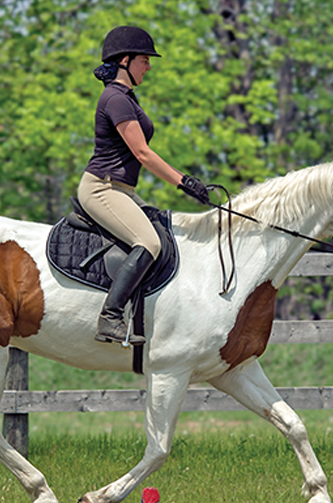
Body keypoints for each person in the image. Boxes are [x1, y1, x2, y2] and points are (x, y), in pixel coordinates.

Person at [79, 25, 210, 346]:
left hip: (121, 190)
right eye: (144, 60)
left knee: (164, 232)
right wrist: (185, 182)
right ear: (125, 60)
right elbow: (142, 152)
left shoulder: (126, 98)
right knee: (149, 242)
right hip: (102, 188)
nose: (149, 66)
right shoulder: (115, 99)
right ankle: (109, 317)